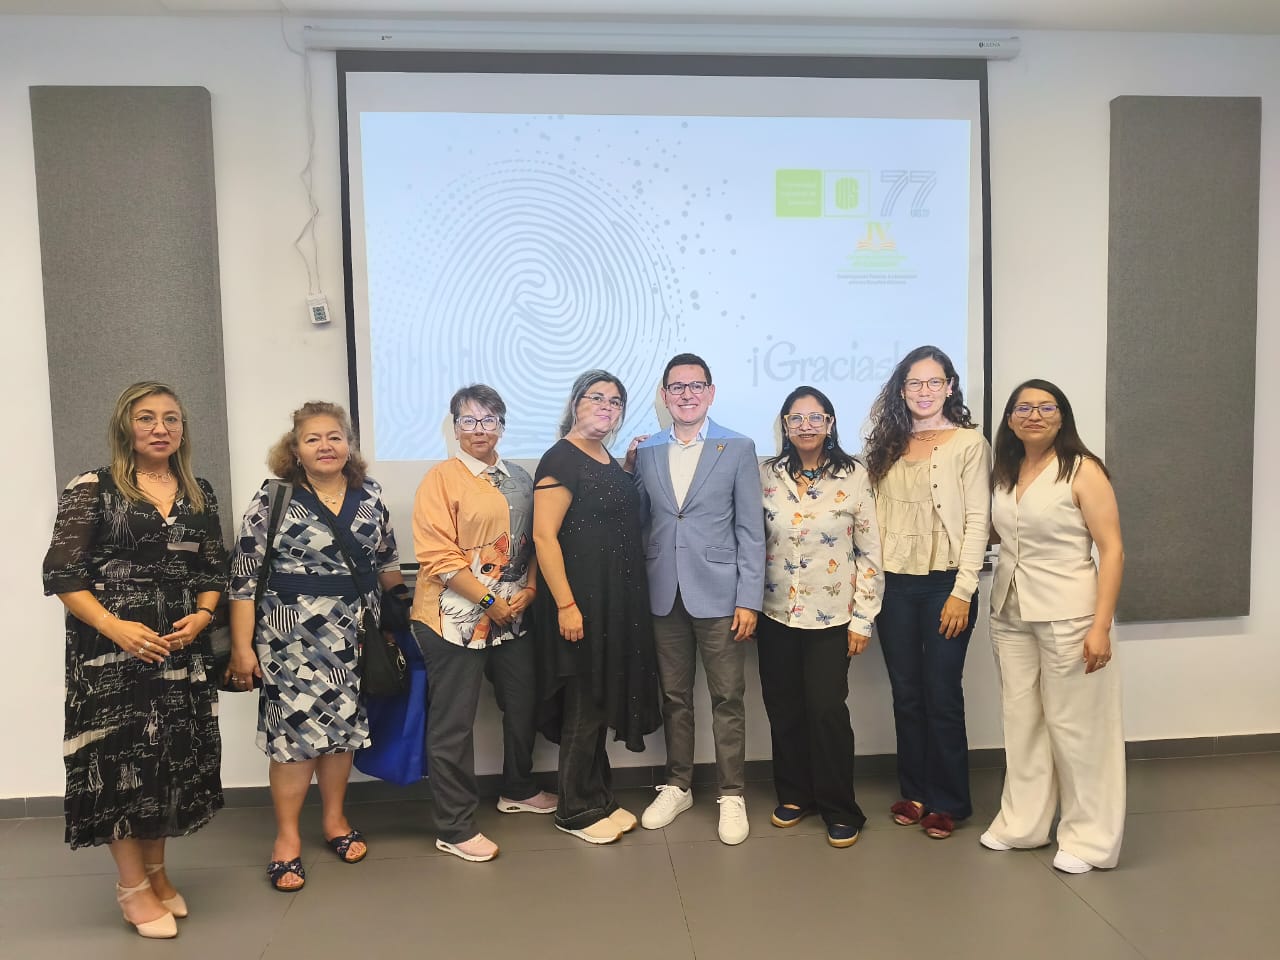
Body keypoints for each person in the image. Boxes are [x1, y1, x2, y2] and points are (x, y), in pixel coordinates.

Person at [42, 381, 227, 939]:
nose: (160, 428)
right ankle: (131, 887)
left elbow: (213, 569)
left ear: (183, 430)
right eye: (146, 417)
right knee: (121, 762)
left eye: (171, 418)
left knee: (168, 760)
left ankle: (156, 872)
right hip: (111, 651)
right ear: (126, 426)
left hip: (178, 649)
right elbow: (62, 574)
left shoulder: (199, 491)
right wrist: (114, 627)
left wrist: (203, 616)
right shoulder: (92, 487)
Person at [227, 401, 406, 892]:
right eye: (313, 439)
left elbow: (387, 563)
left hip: (355, 635)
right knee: (294, 740)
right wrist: (242, 649)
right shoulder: (274, 499)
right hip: (290, 638)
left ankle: (334, 820)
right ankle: (286, 838)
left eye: (334, 437)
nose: (325, 446)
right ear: (295, 449)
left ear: (348, 444)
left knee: (342, 731)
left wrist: (397, 619)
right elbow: (243, 581)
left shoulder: (370, 495)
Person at [980, 380, 1125, 873]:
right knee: (1022, 721)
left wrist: (1101, 626)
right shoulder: (1005, 471)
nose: (1034, 415)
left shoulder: (1083, 470)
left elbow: (1112, 550)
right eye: (1024, 408)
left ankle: (1089, 839)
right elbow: (998, 532)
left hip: (1071, 614)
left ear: (1063, 416)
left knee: (1077, 727)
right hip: (1010, 611)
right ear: (1010, 419)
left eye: (1046, 407)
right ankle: (1023, 824)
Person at [410, 385, 557, 863]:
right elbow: (437, 556)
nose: (480, 429)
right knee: (454, 723)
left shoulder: (519, 477)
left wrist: (530, 589)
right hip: (451, 617)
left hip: (512, 613)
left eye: (489, 420)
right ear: (454, 428)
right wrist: (489, 600)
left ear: (502, 426)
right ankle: (454, 827)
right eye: (469, 421)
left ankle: (517, 788)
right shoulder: (440, 479)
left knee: (523, 701)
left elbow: (534, 542)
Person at [628, 353, 765, 845]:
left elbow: (751, 530)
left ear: (710, 392)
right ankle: (678, 784)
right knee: (674, 696)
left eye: (695, 386)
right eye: (677, 387)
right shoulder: (646, 451)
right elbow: (641, 520)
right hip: (663, 593)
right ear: (664, 396)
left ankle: (732, 793)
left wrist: (749, 599)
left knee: (728, 698)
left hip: (722, 595)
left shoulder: (738, 447)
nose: (686, 394)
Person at [864, 345, 991, 840]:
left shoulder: (968, 443)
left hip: (946, 584)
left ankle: (949, 801)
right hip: (894, 585)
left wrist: (963, 590)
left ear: (949, 387)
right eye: (914, 383)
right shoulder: (886, 444)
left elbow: (978, 519)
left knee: (942, 693)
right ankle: (915, 792)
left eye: (934, 382)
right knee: (907, 693)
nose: (924, 391)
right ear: (902, 390)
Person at [531, 370, 661, 844]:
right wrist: (566, 605)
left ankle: (599, 797)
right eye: (596, 397)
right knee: (583, 706)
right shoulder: (560, 458)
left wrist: (626, 467)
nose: (607, 406)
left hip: (614, 603)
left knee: (600, 700)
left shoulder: (605, 457)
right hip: (580, 603)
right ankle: (574, 810)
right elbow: (544, 537)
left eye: (615, 401)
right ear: (575, 403)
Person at [757, 386, 884, 848]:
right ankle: (795, 795)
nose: (806, 426)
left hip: (832, 617)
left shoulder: (854, 475)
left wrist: (863, 619)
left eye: (816, 417)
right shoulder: (765, 475)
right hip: (775, 613)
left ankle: (839, 807)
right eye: (796, 418)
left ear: (830, 423)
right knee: (783, 707)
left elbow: (870, 552)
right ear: (784, 425)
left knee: (827, 710)